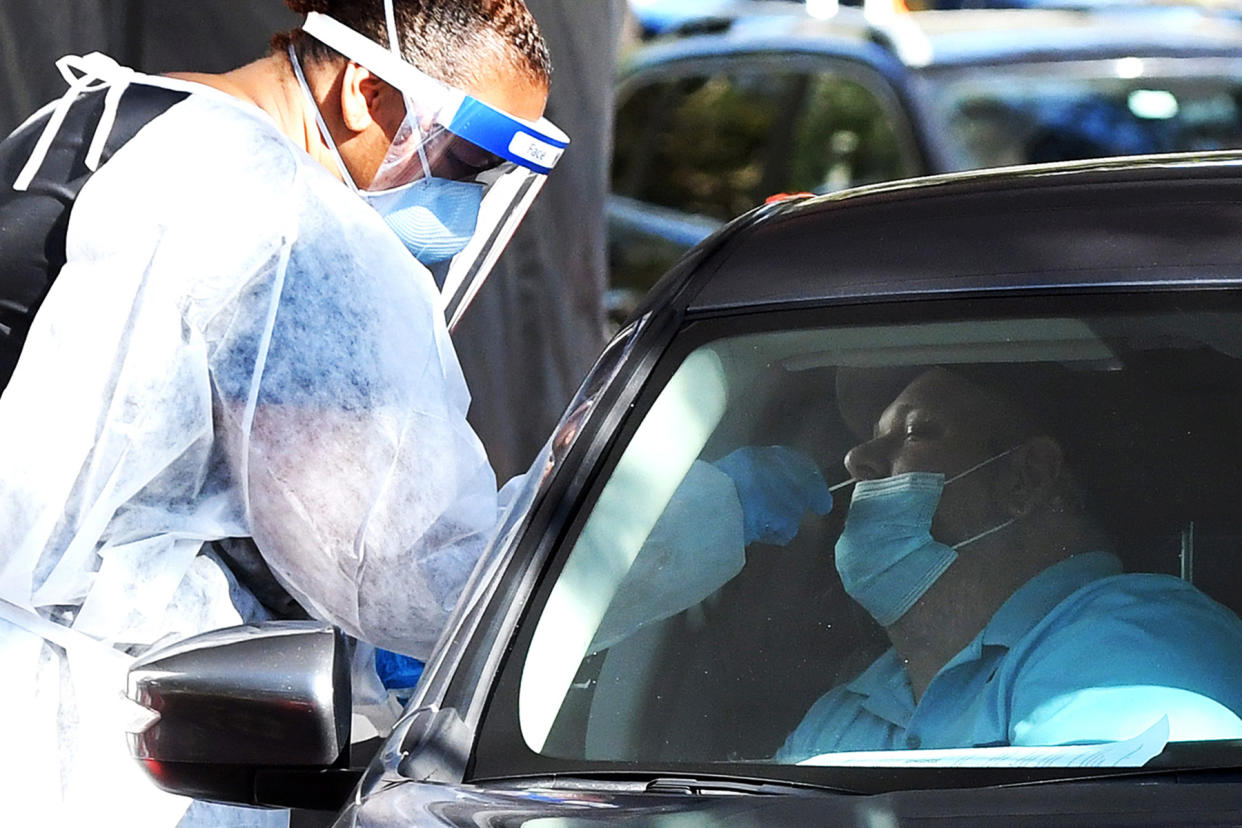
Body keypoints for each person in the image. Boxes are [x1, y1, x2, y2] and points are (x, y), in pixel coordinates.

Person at [0, 0, 567, 824]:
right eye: (468, 160)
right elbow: (415, 567)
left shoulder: (97, 120)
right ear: (365, 92)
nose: (467, 201)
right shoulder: (287, 217)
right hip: (102, 759)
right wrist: (682, 511)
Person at [778, 365, 1242, 760]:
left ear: (1027, 478)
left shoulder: (1133, 643)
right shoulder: (851, 705)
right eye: (873, 439)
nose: (855, 459)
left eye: (915, 431)